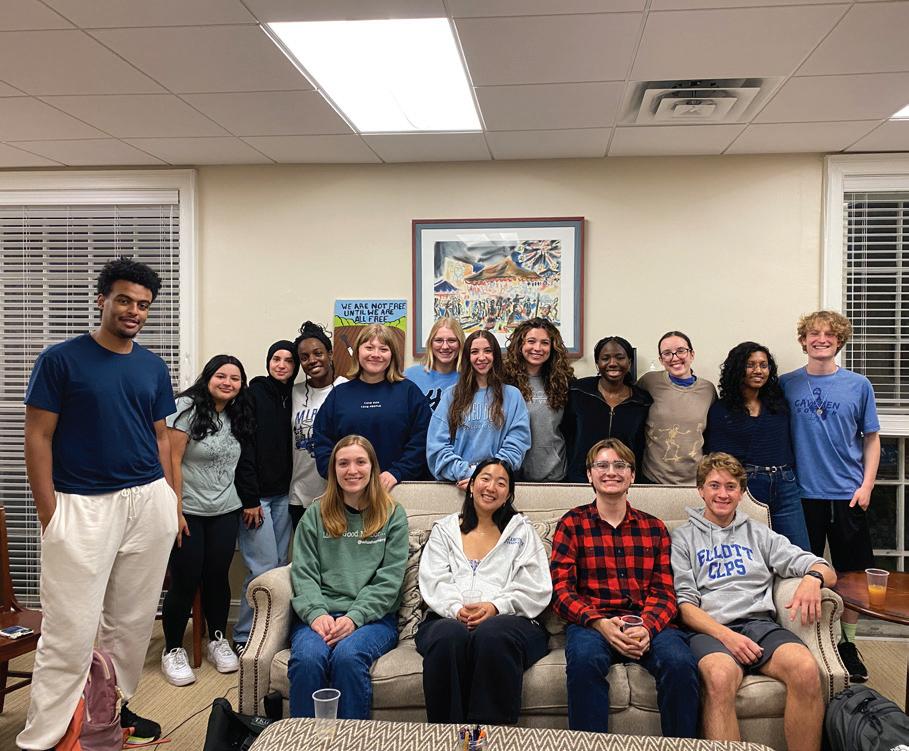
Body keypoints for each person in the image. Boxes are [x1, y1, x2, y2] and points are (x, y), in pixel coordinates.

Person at [19, 257, 177, 749]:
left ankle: (110, 712)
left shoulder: (152, 366)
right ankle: (44, 737)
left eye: (143, 305)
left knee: (131, 625)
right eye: (124, 300)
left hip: (147, 501)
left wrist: (169, 499)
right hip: (82, 506)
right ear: (102, 300)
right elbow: (37, 436)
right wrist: (50, 515)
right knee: (69, 630)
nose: (134, 311)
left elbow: (161, 437)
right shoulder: (60, 360)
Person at [671, 452, 834, 750]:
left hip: (760, 626)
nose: (723, 494)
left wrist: (813, 579)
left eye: (731, 486)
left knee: (806, 669)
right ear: (700, 490)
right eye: (714, 485)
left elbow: (824, 569)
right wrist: (728, 637)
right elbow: (686, 607)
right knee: (719, 677)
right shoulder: (683, 538)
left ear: (742, 492)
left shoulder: (761, 534)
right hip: (710, 630)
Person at [550, 438, 699, 736]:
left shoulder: (654, 527)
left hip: (646, 621)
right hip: (593, 623)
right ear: (589, 475)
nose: (611, 472)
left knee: (680, 663)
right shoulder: (572, 523)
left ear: (632, 475)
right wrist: (600, 623)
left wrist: (647, 628)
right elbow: (561, 590)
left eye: (620, 465)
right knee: (584, 662)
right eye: (602, 465)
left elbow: (665, 591)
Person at [780, 310, 880, 682]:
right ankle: (805, 639)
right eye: (814, 333)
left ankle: (847, 643)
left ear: (839, 341)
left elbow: (872, 438)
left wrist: (867, 486)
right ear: (803, 340)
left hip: (847, 494)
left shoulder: (858, 385)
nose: (821, 339)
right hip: (800, 495)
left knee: (852, 575)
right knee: (800, 570)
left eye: (829, 334)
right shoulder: (786, 384)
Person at [416, 459, 551, 724]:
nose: (491, 487)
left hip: (512, 622)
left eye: (501, 483)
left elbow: (535, 585)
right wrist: (456, 609)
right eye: (485, 479)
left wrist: (496, 607)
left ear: (508, 494)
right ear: (471, 486)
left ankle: (487, 737)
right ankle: (447, 736)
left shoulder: (522, 531)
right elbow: (434, 579)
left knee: (492, 633)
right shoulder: (445, 530)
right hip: (448, 618)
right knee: (448, 635)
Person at [288, 435, 408, 719]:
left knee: (348, 657)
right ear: (333, 470)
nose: (352, 470)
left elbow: (389, 580)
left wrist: (354, 617)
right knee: (308, 659)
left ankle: (351, 738)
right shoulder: (315, 514)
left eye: (360, 462)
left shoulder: (392, 514)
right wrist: (316, 613)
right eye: (343, 463)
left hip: (373, 619)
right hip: (320, 615)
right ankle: (304, 737)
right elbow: (303, 573)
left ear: (373, 467)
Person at [161, 354, 254, 685]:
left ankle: (217, 640)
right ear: (208, 377)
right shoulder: (185, 407)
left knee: (217, 577)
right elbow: (170, 461)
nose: (228, 383)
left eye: (235, 378)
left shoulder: (235, 413)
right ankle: (173, 649)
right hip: (188, 511)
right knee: (185, 579)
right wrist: (175, 510)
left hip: (225, 510)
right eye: (221, 376)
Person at [706, 342, 810, 550]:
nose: (758, 370)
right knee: (749, 552)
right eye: (750, 365)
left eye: (763, 365)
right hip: (747, 486)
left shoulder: (779, 404)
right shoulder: (721, 410)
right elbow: (718, 459)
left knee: (799, 552)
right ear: (737, 368)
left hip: (785, 484)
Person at [232, 341, 300, 652]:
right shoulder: (253, 395)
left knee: (280, 566)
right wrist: (249, 499)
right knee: (262, 568)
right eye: (276, 359)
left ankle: (273, 633)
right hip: (257, 500)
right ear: (268, 361)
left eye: (288, 360)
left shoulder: (293, 398)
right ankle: (244, 635)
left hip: (283, 496)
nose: (281, 365)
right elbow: (243, 449)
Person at [314, 324, 431, 491]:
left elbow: (422, 440)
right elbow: (322, 442)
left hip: (397, 487)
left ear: (392, 355)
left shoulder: (409, 392)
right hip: (350, 490)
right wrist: (341, 474)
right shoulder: (339, 395)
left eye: (383, 349)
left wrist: (398, 472)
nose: (376, 354)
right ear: (358, 351)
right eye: (369, 348)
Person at [427, 330, 531, 488]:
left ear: (495, 355)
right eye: (474, 352)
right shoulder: (451, 396)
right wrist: (468, 474)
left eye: (487, 351)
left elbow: (517, 445)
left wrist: (487, 476)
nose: (481, 357)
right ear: (467, 357)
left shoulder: (513, 396)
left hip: (497, 486)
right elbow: (437, 448)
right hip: (458, 485)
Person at [562, 335, 652, 482]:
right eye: (605, 358)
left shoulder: (642, 401)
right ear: (597, 363)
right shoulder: (577, 392)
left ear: (629, 362)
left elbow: (642, 446)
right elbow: (565, 434)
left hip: (623, 480)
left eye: (620, 358)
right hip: (580, 479)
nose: (613, 363)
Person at [638, 330, 717, 484]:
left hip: (695, 480)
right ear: (661, 360)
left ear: (692, 354)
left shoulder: (708, 390)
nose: (674, 358)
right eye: (667, 353)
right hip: (654, 479)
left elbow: (711, 434)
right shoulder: (648, 382)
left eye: (681, 351)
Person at [503, 317, 574, 481]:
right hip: (512, 473)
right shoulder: (503, 381)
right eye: (531, 341)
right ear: (520, 345)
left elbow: (569, 429)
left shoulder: (564, 382)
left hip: (555, 474)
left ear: (553, 347)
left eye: (544, 343)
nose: (537, 348)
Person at [290, 321, 347, 530]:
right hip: (299, 494)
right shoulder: (294, 393)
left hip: (338, 494)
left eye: (318, 353)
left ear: (330, 354)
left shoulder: (347, 389)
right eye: (304, 357)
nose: (312, 360)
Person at [404, 317, 465, 412]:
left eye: (451, 340)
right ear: (430, 344)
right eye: (439, 340)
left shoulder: (469, 377)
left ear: (460, 344)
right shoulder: (410, 376)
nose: (445, 346)